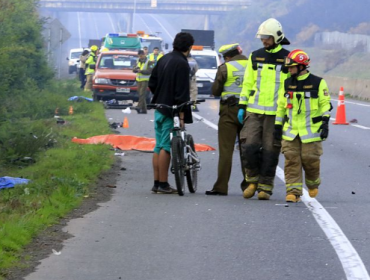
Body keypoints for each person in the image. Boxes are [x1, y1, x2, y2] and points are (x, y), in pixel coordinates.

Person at [238, 18, 290, 200]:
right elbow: (248, 83)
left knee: (270, 150)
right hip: (254, 111)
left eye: (266, 38)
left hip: (276, 114)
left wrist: (285, 114)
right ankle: (251, 181)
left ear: (276, 37)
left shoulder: (287, 58)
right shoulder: (255, 56)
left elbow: (289, 88)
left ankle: (265, 187)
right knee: (249, 146)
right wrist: (242, 105)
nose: (264, 41)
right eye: (262, 38)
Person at [274, 49, 331, 202]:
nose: (289, 69)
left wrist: (325, 122)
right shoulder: (286, 83)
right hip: (291, 130)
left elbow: (325, 104)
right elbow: (281, 106)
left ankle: (313, 183)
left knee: (310, 159)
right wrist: (277, 126)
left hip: (311, 131)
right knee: (291, 159)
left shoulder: (318, 82)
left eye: (292, 67)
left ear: (301, 66)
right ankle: (293, 192)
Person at [149, 32, 194, 194]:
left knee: (158, 145)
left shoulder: (164, 59)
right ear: (189, 47)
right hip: (171, 111)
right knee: (167, 147)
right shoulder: (182, 63)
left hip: (159, 108)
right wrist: (181, 116)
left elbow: (152, 82)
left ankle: (156, 183)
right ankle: (163, 184)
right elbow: (182, 93)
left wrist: (160, 94)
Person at [205, 43, 248, 196]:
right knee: (247, 150)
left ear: (227, 57)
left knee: (226, 151)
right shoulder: (253, 66)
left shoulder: (225, 67)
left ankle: (221, 187)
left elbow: (215, 90)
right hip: (249, 112)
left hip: (229, 112)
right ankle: (248, 186)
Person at [133, 50, 153, 114]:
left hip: (145, 80)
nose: (140, 57)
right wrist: (135, 70)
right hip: (138, 80)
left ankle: (139, 107)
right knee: (141, 95)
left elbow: (149, 71)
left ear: (144, 54)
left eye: (141, 56)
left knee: (142, 94)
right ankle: (144, 110)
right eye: (139, 56)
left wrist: (141, 71)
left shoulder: (149, 62)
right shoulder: (137, 61)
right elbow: (133, 69)